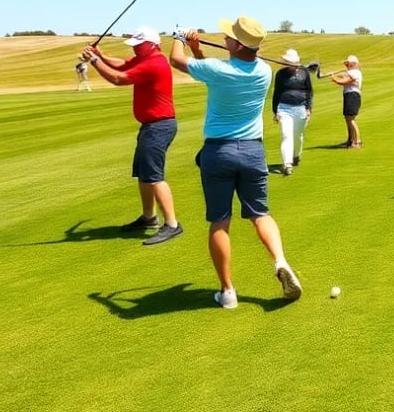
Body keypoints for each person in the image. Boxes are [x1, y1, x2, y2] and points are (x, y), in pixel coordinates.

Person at [169, 16, 302, 309]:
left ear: (238, 45)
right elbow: (212, 71)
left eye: (229, 36)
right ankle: (280, 260)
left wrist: (179, 37)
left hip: (219, 152)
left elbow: (176, 61)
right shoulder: (264, 71)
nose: (224, 38)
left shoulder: (219, 69)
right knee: (261, 215)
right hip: (253, 152)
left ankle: (227, 292)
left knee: (220, 221)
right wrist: (197, 49)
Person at [81, 26, 183, 245]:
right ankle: (149, 218)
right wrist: (100, 55)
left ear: (152, 45)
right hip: (151, 126)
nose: (135, 49)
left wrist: (94, 61)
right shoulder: (146, 59)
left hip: (159, 126)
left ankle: (172, 225)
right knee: (144, 174)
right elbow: (122, 64)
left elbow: (119, 78)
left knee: (154, 176)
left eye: (139, 45)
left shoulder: (154, 63)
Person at [271, 48, 312, 176]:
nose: (294, 66)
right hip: (284, 108)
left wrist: (309, 108)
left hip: (300, 108)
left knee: (297, 135)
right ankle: (287, 164)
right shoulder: (280, 74)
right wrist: (275, 111)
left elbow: (309, 91)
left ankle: (296, 155)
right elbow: (277, 92)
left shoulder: (304, 73)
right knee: (286, 134)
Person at [330, 55, 363, 148]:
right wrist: (334, 75)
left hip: (353, 95)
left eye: (348, 63)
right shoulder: (350, 71)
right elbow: (343, 74)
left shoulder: (355, 72)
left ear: (353, 64)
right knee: (347, 118)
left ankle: (357, 141)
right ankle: (350, 140)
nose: (347, 65)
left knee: (351, 119)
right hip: (348, 95)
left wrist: (335, 79)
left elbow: (346, 81)